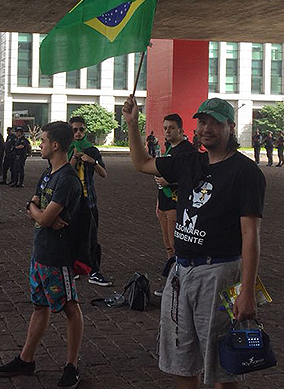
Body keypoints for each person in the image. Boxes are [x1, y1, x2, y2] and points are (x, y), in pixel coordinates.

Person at [122, 95, 265, 388]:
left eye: (215, 122)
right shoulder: (188, 162)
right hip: (181, 272)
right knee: (182, 360)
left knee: (224, 363)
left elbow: (250, 235)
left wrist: (247, 292)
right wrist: (132, 124)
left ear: (231, 127)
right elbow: (141, 163)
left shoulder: (246, 172)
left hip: (220, 273)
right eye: (202, 121)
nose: (207, 128)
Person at [0, 121, 83, 389]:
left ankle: (72, 366)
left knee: (70, 307)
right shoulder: (49, 173)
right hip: (41, 253)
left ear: (55, 145)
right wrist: (38, 211)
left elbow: (42, 215)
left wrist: (39, 213)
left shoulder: (67, 179)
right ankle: (26, 358)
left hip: (58, 256)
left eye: (43, 140)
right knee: (39, 305)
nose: (40, 144)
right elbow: (36, 206)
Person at [153, 114, 195, 294]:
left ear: (181, 129)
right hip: (164, 204)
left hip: (176, 206)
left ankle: (179, 283)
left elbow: (193, 179)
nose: (167, 131)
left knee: (177, 246)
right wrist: (158, 203)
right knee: (168, 245)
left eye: (171, 127)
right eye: (165, 128)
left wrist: (169, 182)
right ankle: (173, 280)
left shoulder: (187, 151)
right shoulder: (170, 148)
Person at [68, 116, 111, 287]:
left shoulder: (91, 150)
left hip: (89, 200)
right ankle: (73, 268)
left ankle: (95, 270)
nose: (78, 133)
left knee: (92, 237)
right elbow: (63, 172)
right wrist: (73, 159)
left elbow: (104, 173)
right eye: (75, 130)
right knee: (70, 236)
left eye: (81, 130)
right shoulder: (66, 149)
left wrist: (91, 162)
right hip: (72, 201)